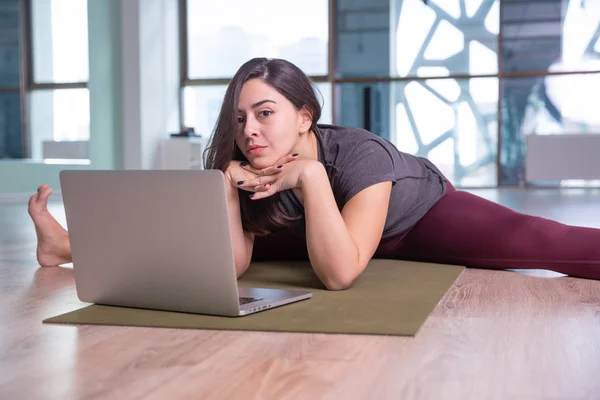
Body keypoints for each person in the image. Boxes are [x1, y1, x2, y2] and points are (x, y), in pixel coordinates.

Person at [28, 57, 600, 290]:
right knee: (181, 246)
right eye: (240, 118)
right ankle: (66, 246)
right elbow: (228, 263)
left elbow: (341, 273)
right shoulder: (242, 169)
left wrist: (309, 178)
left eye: (266, 113)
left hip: (412, 220)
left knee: (539, 241)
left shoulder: (360, 155)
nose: (250, 129)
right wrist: (227, 190)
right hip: (308, 230)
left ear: (305, 117)